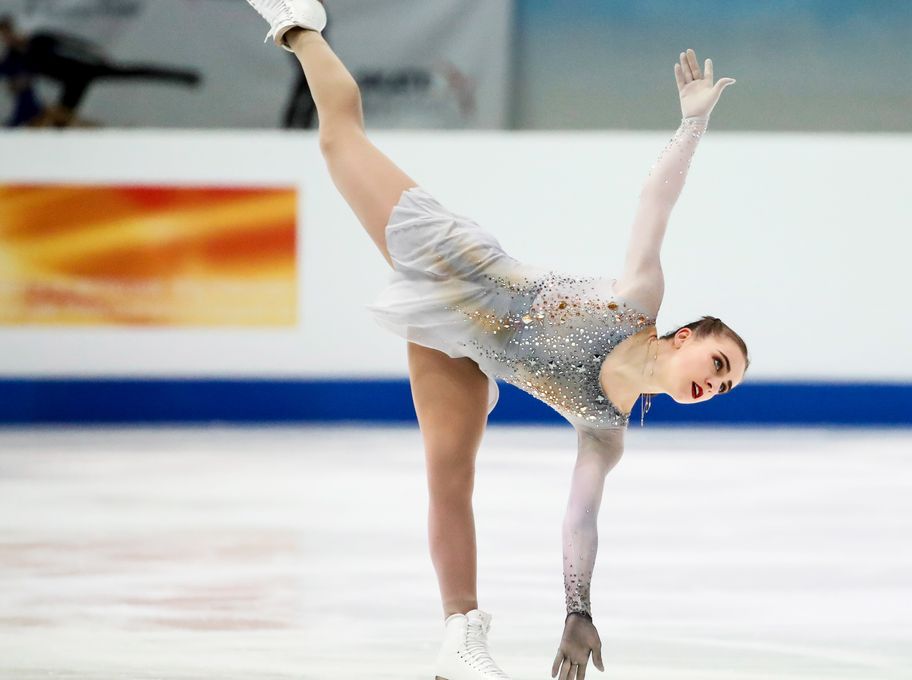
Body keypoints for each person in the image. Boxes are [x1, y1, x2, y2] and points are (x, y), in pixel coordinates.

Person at [244, 2, 749, 679]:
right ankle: (299, 23)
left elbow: (581, 519)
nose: (712, 384)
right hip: (460, 263)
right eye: (717, 363)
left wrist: (579, 610)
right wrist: (693, 123)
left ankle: (460, 636)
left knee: (449, 474)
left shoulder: (607, 429)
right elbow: (656, 202)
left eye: (723, 386)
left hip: (459, 346)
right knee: (339, 136)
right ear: (684, 335)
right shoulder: (639, 302)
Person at [0, 14, 200, 128]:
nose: (6, 38)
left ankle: (185, 77)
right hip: (71, 83)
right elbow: (10, 74)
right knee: (60, 121)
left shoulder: (39, 39)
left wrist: (96, 55)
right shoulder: (14, 58)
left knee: (134, 72)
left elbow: (73, 45)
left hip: (87, 68)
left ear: (13, 30)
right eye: (3, 36)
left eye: (7, 33)